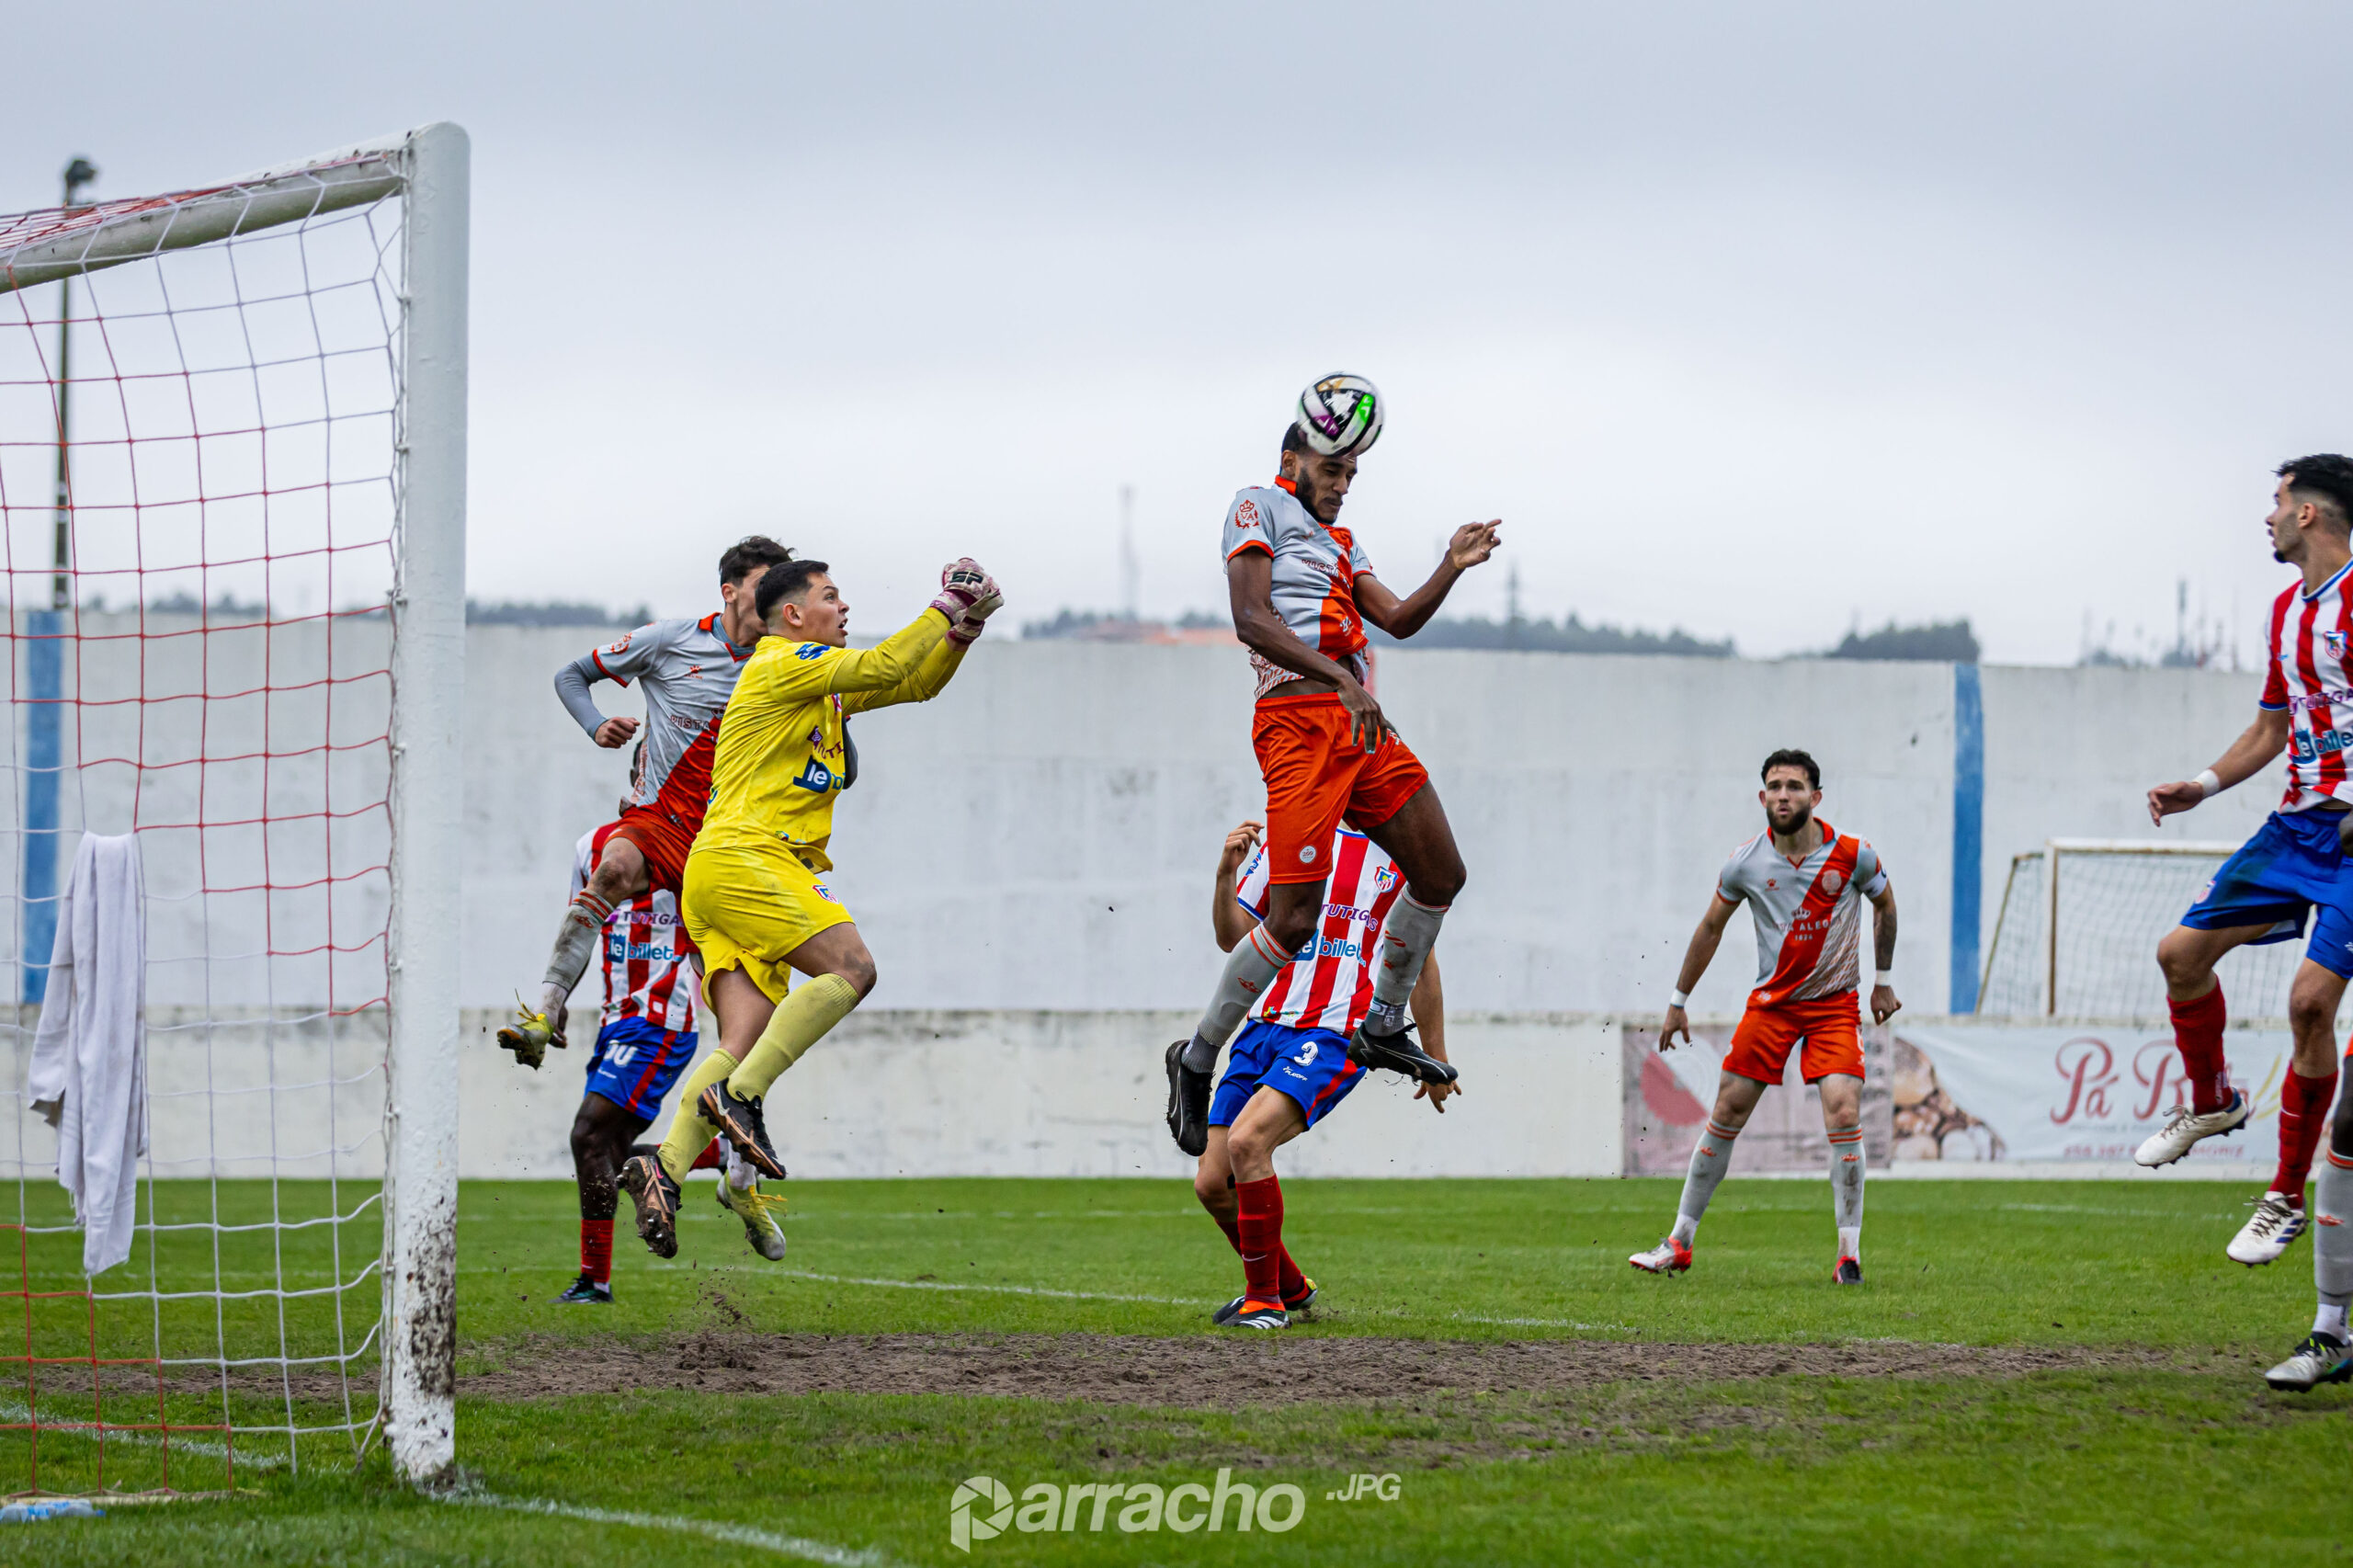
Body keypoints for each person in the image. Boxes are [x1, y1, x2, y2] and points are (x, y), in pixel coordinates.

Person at [619, 557, 1000, 1256]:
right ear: (793, 615)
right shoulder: (782, 662)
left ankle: (664, 1167)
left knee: (741, 1039)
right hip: (749, 857)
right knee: (852, 968)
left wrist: (965, 629)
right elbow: (887, 661)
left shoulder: (813, 686)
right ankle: (743, 1100)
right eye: (831, 597)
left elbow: (912, 682)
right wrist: (948, 602)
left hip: (723, 869)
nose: (844, 608)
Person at [1164, 374, 1498, 1163]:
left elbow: (1401, 620)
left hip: (1357, 722)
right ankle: (1199, 1056)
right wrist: (1342, 678)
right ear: (1294, 457)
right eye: (1331, 469)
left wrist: (1450, 564)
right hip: (1298, 722)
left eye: (1351, 475)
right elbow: (1250, 618)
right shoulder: (1258, 506)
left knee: (1441, 873)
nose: (1342, 486)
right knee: (1291, 921)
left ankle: (1383, 1019)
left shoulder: (1344, 545)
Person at [2142, 458, 2353, 1390]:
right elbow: (2272, 727)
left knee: (2311, 1003)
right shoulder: (2284, 614)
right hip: (2295, 827)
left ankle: (2282, 1195)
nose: (2264, 519)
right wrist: (2203, 783)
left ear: (2306, 511)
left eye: (2273, 503)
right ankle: (2215, 1098)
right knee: (2179, 953)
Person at [496, 536, 792, 1067]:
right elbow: (571, 677)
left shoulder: (789, 662)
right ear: (729, 591)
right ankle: (545, 1013)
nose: (777, 596)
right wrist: (598, 725)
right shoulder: (671, 640)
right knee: (609, 871)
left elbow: (843, 752)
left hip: (727, 838)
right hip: (659, 817)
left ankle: (735, 1107)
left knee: (725, 977)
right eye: (764, 584)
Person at [1630, 748, 1900, 1284]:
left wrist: (1883, 982)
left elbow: (1886, 904)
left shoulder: (1854, 853)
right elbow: (1710, 928)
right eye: (1774, 786)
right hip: (1772, 1007)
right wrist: (1678, 1001)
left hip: (1833, 1006)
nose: (1783, 795)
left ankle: (1849, 1256)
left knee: (1844, 1113)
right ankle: (1679, 1242)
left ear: (1815, 798)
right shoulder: (1744, 862)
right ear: (1762, 797)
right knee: (1726, 1110)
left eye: (1795, 787)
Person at [1189, 818, 1452, 1329]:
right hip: (1263, 1027)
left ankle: (1264, 1302)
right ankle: (1290, 1288)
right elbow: (1232, 939)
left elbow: (1420, 961)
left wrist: (1434, 1057)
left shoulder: (1399, 855)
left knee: (1248, 1144)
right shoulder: (1290, 837)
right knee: (1212, 1184)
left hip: (1337, 1033)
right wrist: (1225, 873)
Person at [553, 814, 785, 1304]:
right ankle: (715, 1153)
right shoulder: (589, 848)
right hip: (615, 1019)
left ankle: (594, 1283)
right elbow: (581, 926)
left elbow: (710, 944)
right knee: (607, 1152)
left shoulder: (692, 849)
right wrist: (554, 1002)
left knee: (589, 1135)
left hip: (662, 1021)